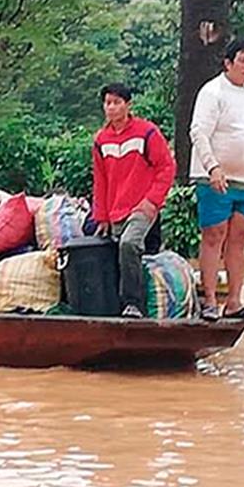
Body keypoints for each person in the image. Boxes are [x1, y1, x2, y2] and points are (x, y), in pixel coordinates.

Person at [189, 38, 244, 322]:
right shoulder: (212, 92)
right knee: (214, 235)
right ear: (228, 63)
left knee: (239, 238)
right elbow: (199, 132)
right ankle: (210, 300)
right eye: (242, 61)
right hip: (215, 177)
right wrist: (212, 167)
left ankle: (235, 301)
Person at [91, 83, 176, 317]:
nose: (111, 107)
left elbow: (166, 167)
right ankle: (115, 305)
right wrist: (102, 217)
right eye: (108, 103)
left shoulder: (147, 132)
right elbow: (101, 181)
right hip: (116, 210)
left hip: (142, 207)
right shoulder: (101, 140)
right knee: (114, 252)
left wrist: (152, 201)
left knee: (129, 244)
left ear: (128, 106)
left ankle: (134, 304)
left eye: (117, 102)